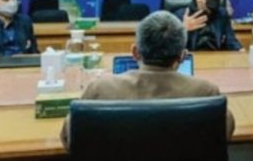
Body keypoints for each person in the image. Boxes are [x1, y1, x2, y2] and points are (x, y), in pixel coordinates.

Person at [60, 11, 235, 149]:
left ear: (135, 52)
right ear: (182, 56)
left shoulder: (99, 90)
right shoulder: (206, 93)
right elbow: (224, 135)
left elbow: (69, 140)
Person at [179, 0, 243, 51]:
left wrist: (241, 51)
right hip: (190, 57)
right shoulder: (181, 16)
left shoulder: (222, 14)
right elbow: (171, 48)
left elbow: (232, 41)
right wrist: (183, 29)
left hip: (216, 57)